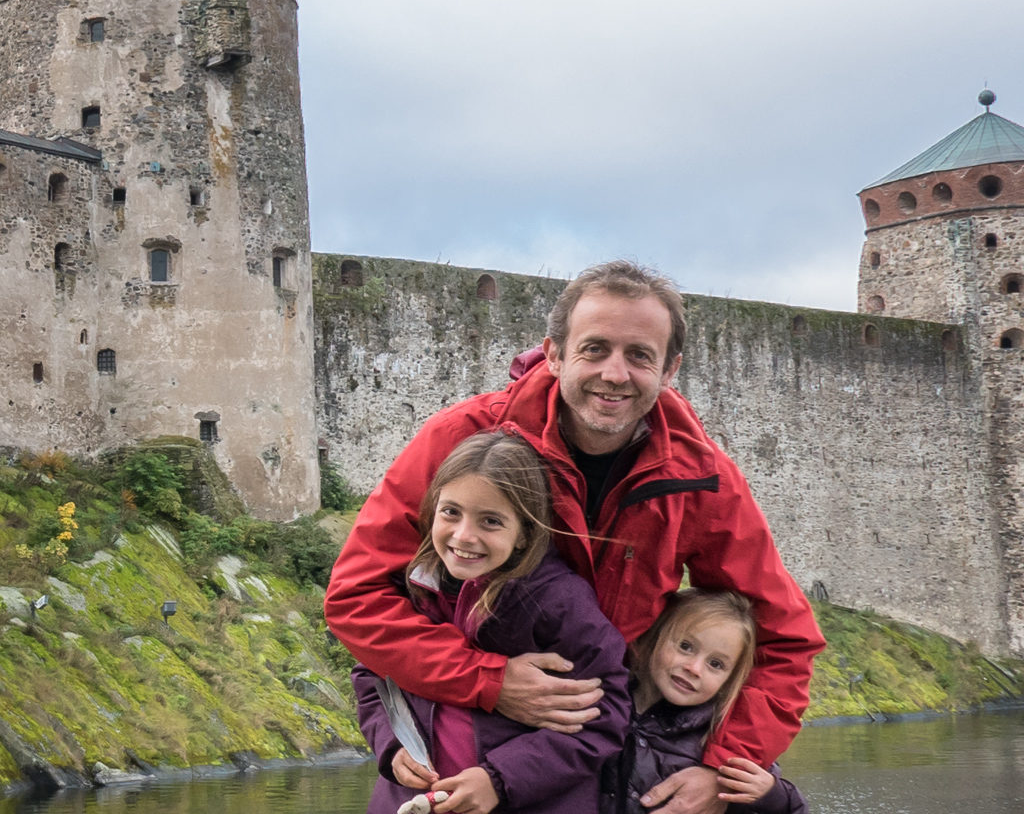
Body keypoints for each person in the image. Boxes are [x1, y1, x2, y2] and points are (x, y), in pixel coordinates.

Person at [324, 261, 825, 814]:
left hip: (596, 761)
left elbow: (783, 638)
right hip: (449, 759)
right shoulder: (466, 439)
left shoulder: (701, 478)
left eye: (640, 355)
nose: (615, 373)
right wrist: (487, 680)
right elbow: (358, 598)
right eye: (595, 349)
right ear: (556, 353)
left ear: (670, 368)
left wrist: (720, 766)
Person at [353, 429, 629, 814]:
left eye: (491, 522)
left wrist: (498, 779)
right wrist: (392, 747)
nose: (464, 536)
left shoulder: (558, 601)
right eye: (451, 512)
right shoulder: (411, 588)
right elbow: (372, 675)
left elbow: (605, 714)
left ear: (523, 534)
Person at [609, 590, 807, 814]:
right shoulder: (604, 703)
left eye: (715, 664)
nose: (694, 668)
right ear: (654, 638)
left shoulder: (725, 741)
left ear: (729, 680)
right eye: (685, 646)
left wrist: (771, 796)